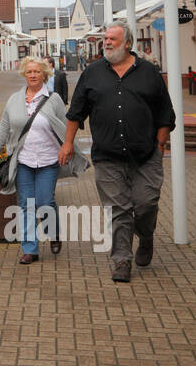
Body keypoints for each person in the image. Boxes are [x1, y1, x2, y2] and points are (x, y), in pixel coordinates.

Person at [59, 21, 174, 283]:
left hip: (146, 155)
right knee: (118, 209)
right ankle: (122, 259)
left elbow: (165, 112)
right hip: (108, 156)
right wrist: (67, 144)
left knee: (146, 204)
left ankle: (145, 236)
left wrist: (161, 140)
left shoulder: (148, 72)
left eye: (113, 39)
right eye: (105, 38)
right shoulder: (92, 73)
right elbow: (75, 113)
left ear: (128, 44)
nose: (107, 42)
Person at [0, 56, 67, 263]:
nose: (33, 75)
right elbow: (4, 125)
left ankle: (54, 232)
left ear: (44, 74)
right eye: (29, 72)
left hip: (48, 159)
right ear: (24, 74)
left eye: (37, 72)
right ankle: (30, 249)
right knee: (25, 204)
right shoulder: (14, 99)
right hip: (22, 159)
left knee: (44, 202)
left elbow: (65, 127)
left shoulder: (54, 99)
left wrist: (67, 147)